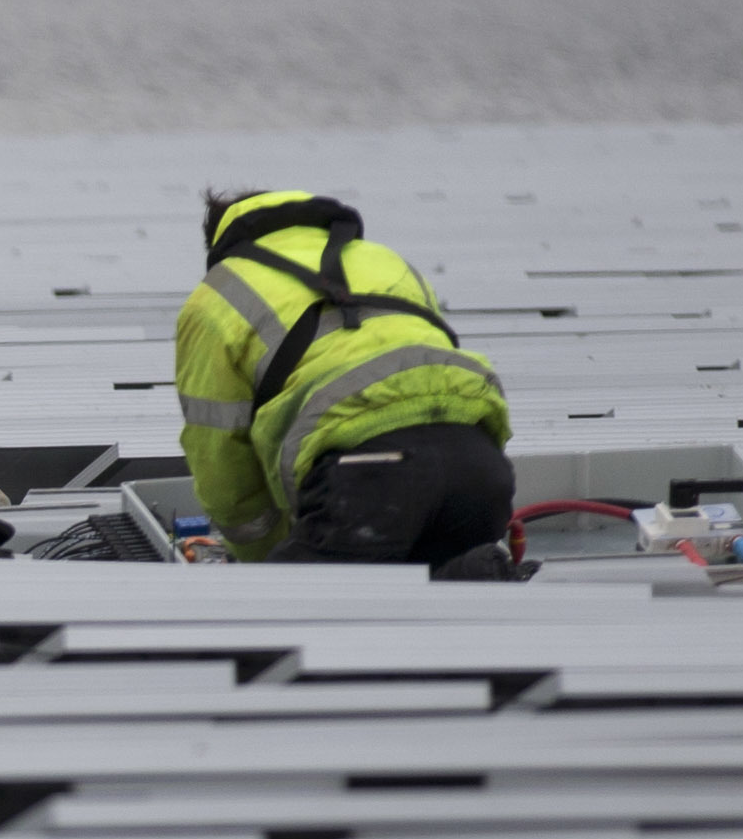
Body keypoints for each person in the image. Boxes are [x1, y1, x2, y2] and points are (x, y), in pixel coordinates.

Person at [171, 186, 516, 567]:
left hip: (366, 480)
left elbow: (221, 462)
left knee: (290, 618)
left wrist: (262, 562)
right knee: (454, 608)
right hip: (481, 467)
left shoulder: (218, 293)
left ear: (218, 242)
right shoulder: (386, 260)